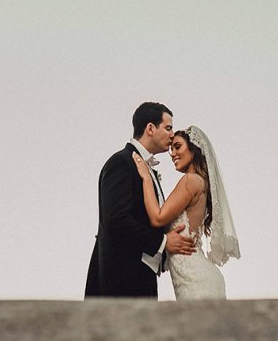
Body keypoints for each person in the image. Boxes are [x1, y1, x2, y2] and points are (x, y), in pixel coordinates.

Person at [84, 102, 198, 298]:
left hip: (141, 278)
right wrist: (162, 242)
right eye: (168, 128)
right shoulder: (121, 162)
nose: (172, 135)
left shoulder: (144, 168)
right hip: (120, 283)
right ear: (150, 128)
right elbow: (116, 220)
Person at [132, 125, 239, 300]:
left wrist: (146, 178)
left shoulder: (190, 180)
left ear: (194, 149)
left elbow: (158, 218)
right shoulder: (200, 182)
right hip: (199, 276)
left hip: (195, 278)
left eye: (178, 146)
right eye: (171, 149)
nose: (172, 153)